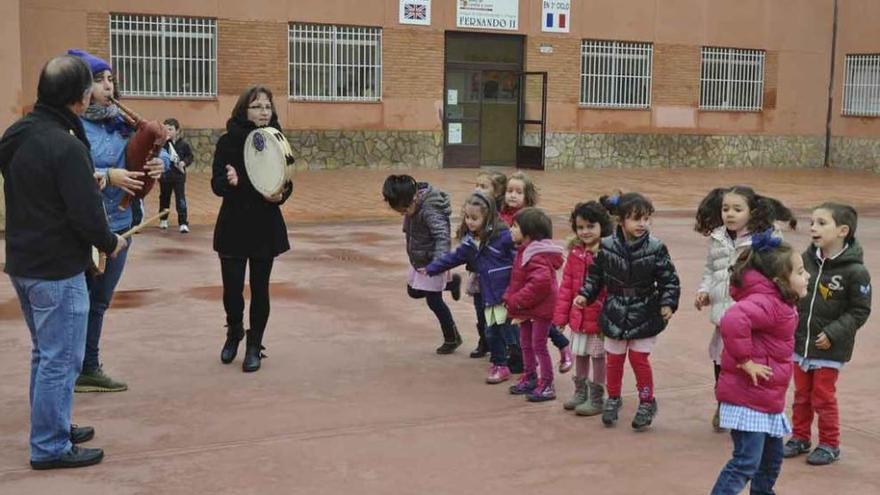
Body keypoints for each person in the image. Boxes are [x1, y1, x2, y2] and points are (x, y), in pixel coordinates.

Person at [0, 54, 126, 469]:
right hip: (56, 269)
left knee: (46, 353)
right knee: (61, 358)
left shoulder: (17, 133)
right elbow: (86, 215)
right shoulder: (66, 145)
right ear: (80, 96)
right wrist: (110, 242)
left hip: (23, 262)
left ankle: (53, 424)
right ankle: (50, 446)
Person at [68, 49, 168, 393]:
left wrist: (160, 165)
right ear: (81, 87)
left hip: (122, 224)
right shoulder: (72, 125)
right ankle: (66, 370)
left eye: (110, 79)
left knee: (99, 301)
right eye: (99, 80)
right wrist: (108, 176)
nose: (109, 86)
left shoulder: (122, 121)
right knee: (76, 303)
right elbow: (65, 172)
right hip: (83, 228)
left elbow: (162, 153)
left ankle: (89, 367)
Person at [710, 232, 809, 494]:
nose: (806, 276)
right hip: (748, 399)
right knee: (746, 462)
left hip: (764, 399)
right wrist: (745, 361)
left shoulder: (780, 302)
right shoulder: (768, 302)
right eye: (800, 272)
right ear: (780, 280)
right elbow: (734, 319)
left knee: (770, 460)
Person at [575, 192, 681, 430]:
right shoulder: (607, 246)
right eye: (636, 219)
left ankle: (646, 400)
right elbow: (596, 276)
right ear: (621, 221)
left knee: (639, 358)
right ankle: (613, 398)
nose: (642, 224)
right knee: (614, 359)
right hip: (615, 310)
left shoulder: (656, 248)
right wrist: (585, 294)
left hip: (644, 311)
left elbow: (669, 280)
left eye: (646, 219)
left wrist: (667, 303)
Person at [693, 186, 796, 430]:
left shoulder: (765, 240)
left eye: (737, 209)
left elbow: (779, 271)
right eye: (725, 209)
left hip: (751, 315)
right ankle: (724, 404)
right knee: (722, 363)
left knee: (750, 361)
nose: (730, 214)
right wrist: (705, 291)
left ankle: (752, 407)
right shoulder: (718, 237)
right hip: (724, 315)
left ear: (752, 212)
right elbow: (712, 269)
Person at [212, 85, 293, 372]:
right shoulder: (227, 142)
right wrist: (230, 181)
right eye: (257, 106)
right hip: (233, 225)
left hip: (264, 226)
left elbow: (286, 180)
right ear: (244, 110)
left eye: (268, 107)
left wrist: (280, 195)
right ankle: (234, 331)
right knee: (232, 290)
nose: (263, 111)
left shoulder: (277, 139)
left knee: (260, 289)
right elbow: (216, 186)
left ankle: (255, 344)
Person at [783, 203, 871, 465]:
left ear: (843, 230)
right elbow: (792, 292)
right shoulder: (804, 260)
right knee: (800, 395)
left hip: (828, 347)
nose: (813, 227)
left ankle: (830, 444)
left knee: (822, 397)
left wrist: (832, 333)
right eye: (812, 222)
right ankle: (800, 437)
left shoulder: (855, 271)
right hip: (801, 342)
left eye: (822, 223)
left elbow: (859, 311)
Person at [425, 192, 517, 383]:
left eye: (474, 218)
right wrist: (432, 268)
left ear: (488, 216)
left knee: (505, 330)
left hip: (506, 295)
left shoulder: (504, 237)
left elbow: (519, 256)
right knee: (494, 330)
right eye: (467, 217)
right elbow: (454, 257)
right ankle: (501, 364)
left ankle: (509, 363)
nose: (470, 222)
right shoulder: (470, 242)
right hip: (490, 296)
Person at [499, 171, 572, 373]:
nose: (512, 195)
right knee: (519, 320)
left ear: (527, 196)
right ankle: (521, 356)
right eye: (509, 190)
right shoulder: (501, 215)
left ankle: (561, 346)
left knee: (536, 320)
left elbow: (536, 254)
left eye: (518, 192)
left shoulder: (532, 220)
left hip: (526, 278)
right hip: (511, 275)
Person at [382, 174, 463, 354]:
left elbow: (442, 236)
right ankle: (451, 283)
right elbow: (410, 223)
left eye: (404, 210)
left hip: (433, 262)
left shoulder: (430, 210)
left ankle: (452, 338)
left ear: (414, 198)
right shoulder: (412, 204)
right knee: (413, 291)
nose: (403, 214)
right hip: (419, 259)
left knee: (434, 301)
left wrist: (438, 263)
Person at [555, 201, 612, 416]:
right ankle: (580, 392)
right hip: (578, 317)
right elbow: (566, 287)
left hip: (598, 319)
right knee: (579, 353)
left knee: (597, 356)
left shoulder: (607, 253)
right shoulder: (575, 253)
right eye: (580, 227)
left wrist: (605, 314)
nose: (585, 231)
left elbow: (609, 289)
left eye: (590, 226)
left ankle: (597, 397)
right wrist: (561, 318)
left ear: (602, 227)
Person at [504, 208, 564, 402]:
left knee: (538, 345)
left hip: (540, 308)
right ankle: (530, 376)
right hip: (529, 307)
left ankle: (547, 383)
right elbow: (519, 280)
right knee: (526, 344)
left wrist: (516, 300)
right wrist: (510, 296)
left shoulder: (536, 255)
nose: (510, 230)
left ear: (529, 233)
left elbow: (540, 284)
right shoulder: (525, 251)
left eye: (515, 226)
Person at [467, 171, 509, 359]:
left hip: (496, 275)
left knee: (496, 313)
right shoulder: (474, 210)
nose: (478, 189)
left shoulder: (502, 217)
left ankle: (502, 347)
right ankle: (484, 341)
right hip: (478, 271)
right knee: (479, 309)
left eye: (483, 186)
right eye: (476, 185)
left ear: (498, 192)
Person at [158, 118, 193, 233]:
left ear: (177, 130)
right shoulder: (162, 144)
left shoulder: (183, 144)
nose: (168, 131)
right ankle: (163, 219)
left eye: (170, 129)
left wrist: (184, 162)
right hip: (165, 176)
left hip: (179, 177)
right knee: (164, 198)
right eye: (165, 129)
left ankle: (183, 222)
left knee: (180, 199)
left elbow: (190, 157)